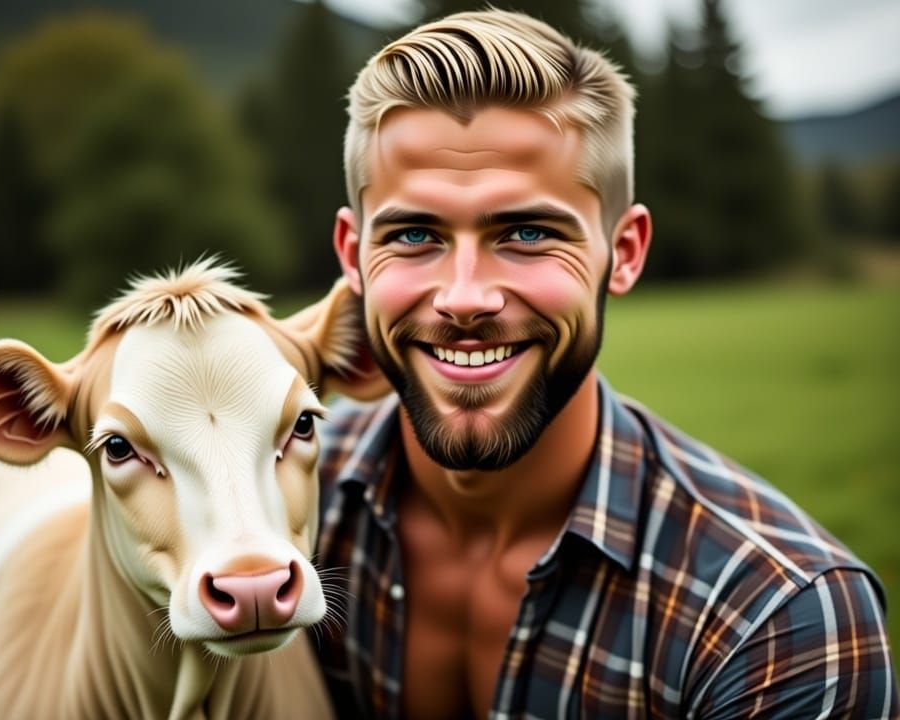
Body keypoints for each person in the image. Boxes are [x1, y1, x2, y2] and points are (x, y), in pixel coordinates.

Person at [312, 9, 898, 720]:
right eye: (412, 234)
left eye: (527, 232)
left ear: (622, 252)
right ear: (352, 257)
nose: (464, 298)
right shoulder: (277, 510)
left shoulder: (774, 615)